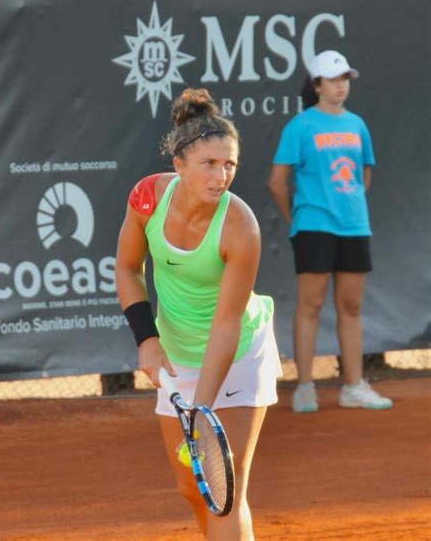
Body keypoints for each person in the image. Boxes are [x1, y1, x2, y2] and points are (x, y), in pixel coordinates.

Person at [116, 88, 282, 541]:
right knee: (191, 488)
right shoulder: (147, 199)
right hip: (177, 356)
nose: (221, 175)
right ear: (179, 165)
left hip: (238, 354)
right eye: (209, 164)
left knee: (224, 487)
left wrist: (201, 411)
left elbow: (227, 325)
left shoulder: (240, 227)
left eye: (229, 164)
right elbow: (128, 270)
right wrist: (146, 339)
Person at [268, 50, 392, 413]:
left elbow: (363, 175)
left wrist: (347, 203)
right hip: (313, 226)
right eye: (334, 80)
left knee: (351, 306)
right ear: (317, 85)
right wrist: (297, 219)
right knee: (310, 305)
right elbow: (277, 181)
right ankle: (305, 386)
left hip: (354, 226)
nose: (341, 86)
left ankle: (353, 385)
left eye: (345, 80)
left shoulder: (357, 125)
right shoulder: (300, 126)